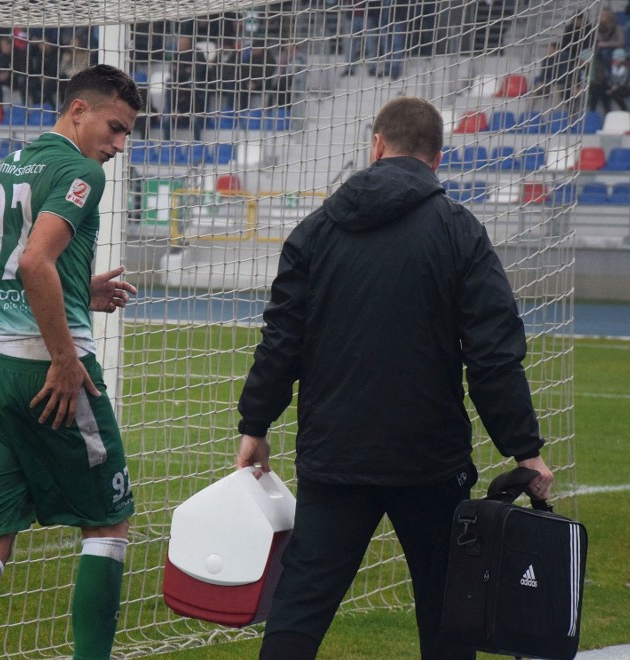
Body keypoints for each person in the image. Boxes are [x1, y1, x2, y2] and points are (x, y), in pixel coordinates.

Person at [235, 96, 554, 660]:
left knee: (300, 609)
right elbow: (493, 354)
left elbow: (281, 340)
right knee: (448, 612)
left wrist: (255, 422)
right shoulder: (459, 230)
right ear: (437, 158)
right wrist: (524, 449)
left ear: (376, 145)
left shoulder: (316, 230)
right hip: (429, 458)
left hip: (334, 455)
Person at [0, 64, 142, 660]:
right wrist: (65, 359)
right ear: (78, 109)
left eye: (126, 135)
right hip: (43, 371)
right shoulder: (79, 173)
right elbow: (33, 263)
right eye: (115, 128)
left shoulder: (10, 167)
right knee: (108, 522)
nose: (119, 146)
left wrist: (78, 291)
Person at [587, 47, 630, 114]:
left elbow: (628, 81)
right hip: (615, 86)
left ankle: (626, 112)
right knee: (600, 90)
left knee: (616, 94)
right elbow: (609, 78)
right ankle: (605, 112)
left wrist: (615, 88)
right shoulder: (611, 65)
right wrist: (612, 86)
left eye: (616, 59)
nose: (614, 60)